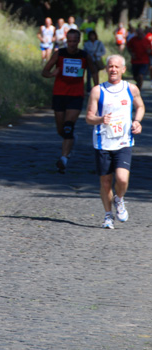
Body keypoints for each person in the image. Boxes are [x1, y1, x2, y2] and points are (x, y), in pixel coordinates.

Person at [85, 55, 144, 229]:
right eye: (110, 66)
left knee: (122, 179)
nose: (113, 70)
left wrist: (137, 121)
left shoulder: (131, 89)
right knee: (105, 182)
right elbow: (89, 117)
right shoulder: (98, 90)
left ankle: (119, 199)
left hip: (124, 142)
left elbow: (140, 106)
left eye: (117, 67)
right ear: (106, 69)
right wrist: (100, 119)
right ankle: (108, 215)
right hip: (103, 142)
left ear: (123, 70)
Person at [42, 28, 98, 173]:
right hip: (59, 94)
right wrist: (52, 74)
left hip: (76, 95)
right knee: (61, 129)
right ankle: (72, 139)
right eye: (70, 41)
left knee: (68, 127)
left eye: (75, 41)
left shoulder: (84, 56)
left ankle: (64, 159)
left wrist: (96, 89)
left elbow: (94, 71)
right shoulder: (59, 54)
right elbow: (44, 71)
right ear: (66, 41)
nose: (72, 44)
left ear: (79, 41)